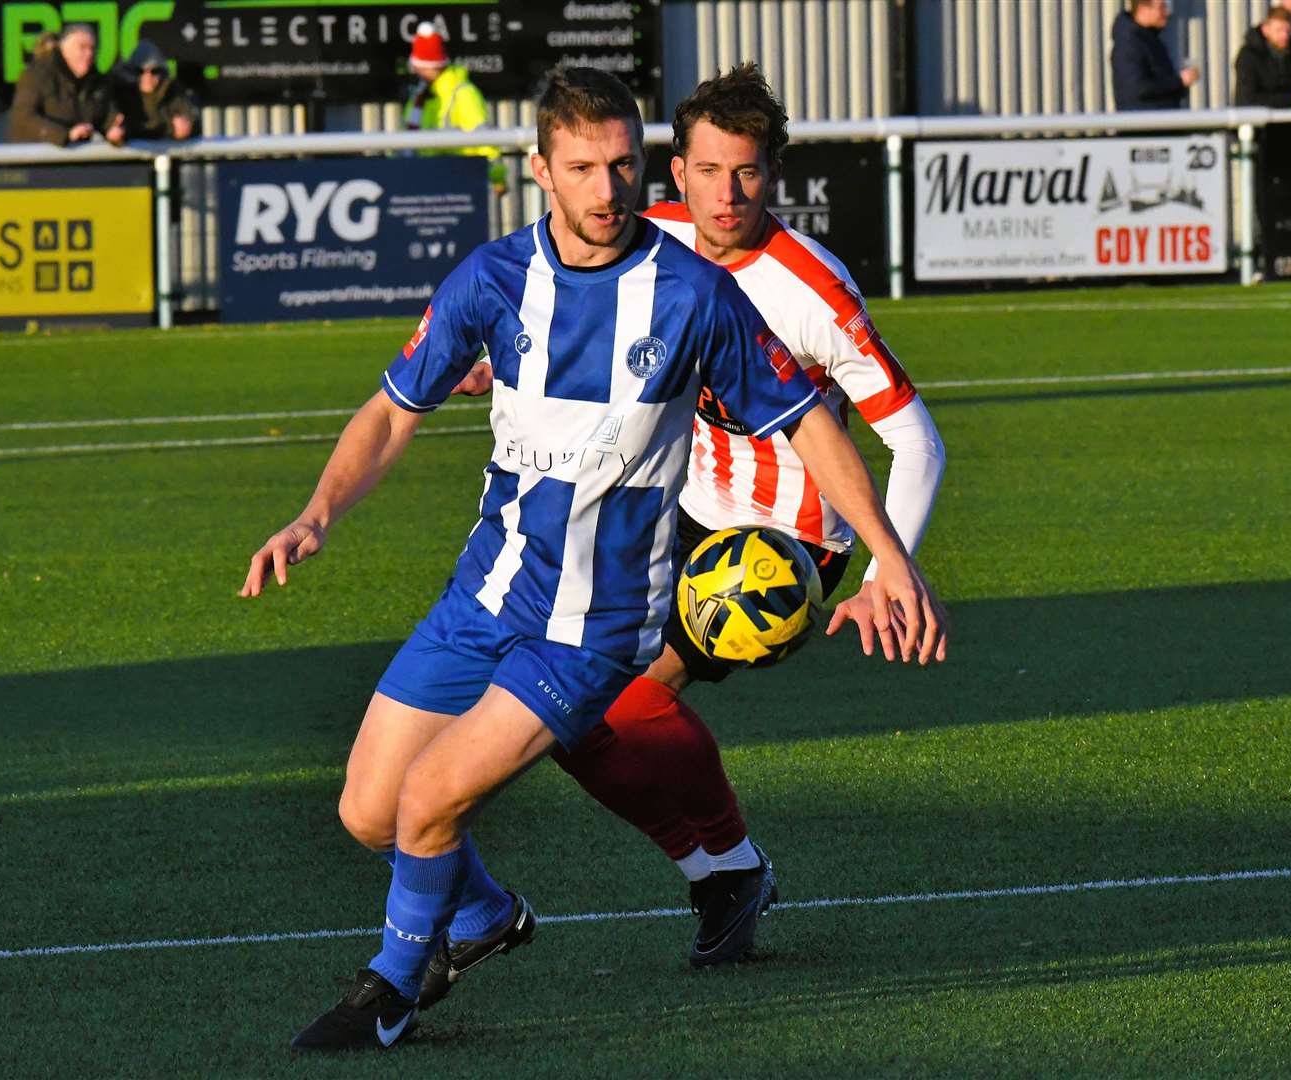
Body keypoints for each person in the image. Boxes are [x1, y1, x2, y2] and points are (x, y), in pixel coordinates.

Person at [241, 65, 943, 1053]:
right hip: (483, 592)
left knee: (432, 798)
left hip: (595, 619)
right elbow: (392, 412)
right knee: (368, 812)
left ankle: (391, 989)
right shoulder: (490, 280)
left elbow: (811, 426)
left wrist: (886, 559)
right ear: (541, 172)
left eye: (621, 164)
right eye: (583, 168)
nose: (607, 189)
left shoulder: (692, 294)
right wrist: (317, 512)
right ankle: (483, 919)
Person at [544, 63, 948, 969]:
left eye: (750, 173)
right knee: (552, 711)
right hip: (680, 508)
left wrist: (890, 573)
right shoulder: (651, 240)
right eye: (709, 171)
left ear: (774, 174)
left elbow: (917, 442)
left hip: (783, 545)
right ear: (676, 171)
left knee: (629, 694)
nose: (729, 196)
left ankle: (727, 864)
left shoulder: (812, 287)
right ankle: (721, 867)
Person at [404, 21, 507, 195]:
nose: (413, 69)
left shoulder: (463, 92)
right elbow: (404, 140)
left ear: (425, 65)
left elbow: (485, 140)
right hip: (423, 184)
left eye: (417, 65)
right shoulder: (419, 96)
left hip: (461, 183)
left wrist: (497, 179)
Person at [7, 24, 122, 146]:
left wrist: (113, 129)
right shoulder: (37, 76)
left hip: (82, 158)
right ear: (64, 49)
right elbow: (23, 118)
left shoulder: (98, 82)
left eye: (92, 48)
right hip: (37, 158)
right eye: (82, 48)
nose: (89, 54)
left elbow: (105, 114)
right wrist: (65, 135)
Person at [1110, 0, 1198, 111]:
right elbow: (1136, 88)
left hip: (1160, 121)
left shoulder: (1150, 39)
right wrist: (1179, 81)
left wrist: (1180, 85)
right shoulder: (1129, 43)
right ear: (1143, 9)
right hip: (1143, 124)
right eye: (1161, 7)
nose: (1166, 13)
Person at [110, 40, 197, 141]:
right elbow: (110, 125)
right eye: (140, 71)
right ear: (131, 71)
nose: (148, 76)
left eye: (154, 71)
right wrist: (171, 128)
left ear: (162, 71)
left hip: (167, 154)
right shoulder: (119, 93)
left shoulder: (171, 91)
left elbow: (192, 118)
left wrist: (186, 128)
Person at [1235, 7, 1291, 109]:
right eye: (1279, 30)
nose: (1285, 35)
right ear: (1265, 29)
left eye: (1288, 30)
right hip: (1259, 123)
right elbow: (1246, 99)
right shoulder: (1248, 56)